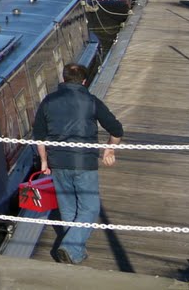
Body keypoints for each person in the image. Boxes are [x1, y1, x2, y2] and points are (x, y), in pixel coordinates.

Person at [33, 62, 124, 265]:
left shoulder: (48, 101)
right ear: (84, 81)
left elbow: (39, 136)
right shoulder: (91, 101)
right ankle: (69, 247)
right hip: (84, 162)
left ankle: (75, 253)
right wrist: (109, 149)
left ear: (63, 79)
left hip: (58, 162)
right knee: (90, 208)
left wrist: (44, 162)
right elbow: (117, 129)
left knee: (67, 208)